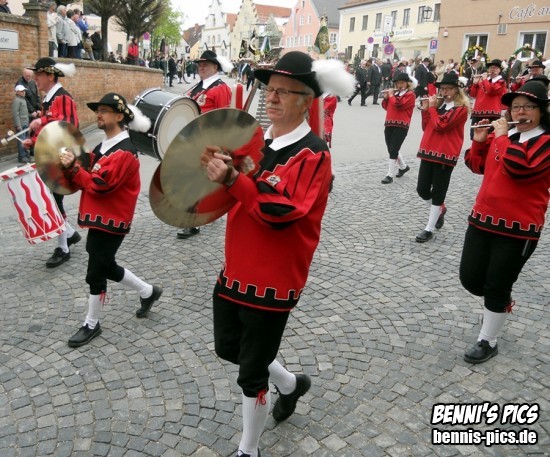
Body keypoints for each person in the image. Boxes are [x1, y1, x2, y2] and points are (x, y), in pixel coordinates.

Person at [200, 50, 353, 457]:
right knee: (230, 348)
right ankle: (290, 383)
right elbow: (231, 194)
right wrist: (215, 168)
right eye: (270, 89)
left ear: (306, 101)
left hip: (273, 279)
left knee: (251, 373)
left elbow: (280, 211)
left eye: (285, 91)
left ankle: (248, 449)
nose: (272, 97)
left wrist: (233, 178)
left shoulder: (313, 153)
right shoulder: (255, 143)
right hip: (236, 268)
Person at [57, 93, 162, 348]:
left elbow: (99, 185)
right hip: (100, 218)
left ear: (119, 116)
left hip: (113, 220)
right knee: (105, 265)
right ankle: (148, 292)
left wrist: (74, 168)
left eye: (104, 110)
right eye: (98, 110)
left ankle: (92, 323)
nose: (98, 114)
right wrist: (70, 165)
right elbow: (84, 176)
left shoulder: (125, 151)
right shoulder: (102, 147)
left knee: (96, 272)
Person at [460, 80, 550, 363]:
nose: (520, 112)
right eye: (516, 107)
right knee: (470, 278)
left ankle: (488, 340)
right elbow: (477, 166)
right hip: (482, 219)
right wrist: (479, 142)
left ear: (541, 110)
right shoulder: (507, 137)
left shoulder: (545, 141)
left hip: (518, 229)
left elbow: (518, 168)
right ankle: (499, 302)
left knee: (496, 285)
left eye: (528, 107)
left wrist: (499, 138)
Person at [22, 57, 81, 268]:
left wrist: (42, 120)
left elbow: (68, 126)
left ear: (49, 75)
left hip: (62, 158)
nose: (35, 78)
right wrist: (33, 140)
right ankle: (69, 234)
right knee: (52, 200)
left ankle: (63, 247)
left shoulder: (62, 97)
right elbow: (48, 131)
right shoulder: (48, 99)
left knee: (55, 201)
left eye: (38, 75)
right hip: (52, 157)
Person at [176, 50, 233, 239]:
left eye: (205, 64)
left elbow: (223, 119)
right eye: (199, 64)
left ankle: (192, 222)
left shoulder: (220, 88)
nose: (201, 67)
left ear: (215, 67)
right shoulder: (197, 87)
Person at [415, 72, 469, 242]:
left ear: (456, 91)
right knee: (422, 189)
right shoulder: (438, 106)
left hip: (445, 154)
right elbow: (427, 127)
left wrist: (431, 109)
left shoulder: (460, 109)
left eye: (448, 89)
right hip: (428, 150)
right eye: (442, 88)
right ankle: (440, 210)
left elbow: (441, 125)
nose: (444, 92)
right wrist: (426, 110)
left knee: (438, 192)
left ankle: (429, 228)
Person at [380, 72, 416, 183]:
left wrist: (391, 96)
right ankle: (403, 167)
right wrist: (386, 98)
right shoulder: (395, 94)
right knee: (391, 149)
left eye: (402, 83)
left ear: (407, 83)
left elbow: (399, 105)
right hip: (389, 123)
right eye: (398, 83)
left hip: (401, 125)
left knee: (393, 149)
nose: (400, 85)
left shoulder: (410, 94)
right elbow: (387, 107)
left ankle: (390, 175)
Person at [469, 59, 507, 140]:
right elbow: (473, 94)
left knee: (488, 138)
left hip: (491, 114)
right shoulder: (483, 81)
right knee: (475, 137)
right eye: (491, 68)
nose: (492, 70)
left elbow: (491, 91)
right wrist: (475, 83)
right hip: (477, 113)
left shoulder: (501, 82)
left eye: (495, 68)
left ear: (500, 70)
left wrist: (485, 80)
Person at [12, 85, 32, 163]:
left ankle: (26, 154)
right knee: (21, 141)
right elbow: (15, 113)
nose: (23, 92)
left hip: (25, 123)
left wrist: (30, 116)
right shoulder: (17, 100)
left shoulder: (23, 100)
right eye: (21, 91)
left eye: (24, 91)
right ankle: (22, 156)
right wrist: (18, 125)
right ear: (17, 92)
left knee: (26, 140)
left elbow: (24, 113)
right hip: (21, 124)